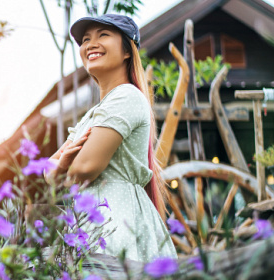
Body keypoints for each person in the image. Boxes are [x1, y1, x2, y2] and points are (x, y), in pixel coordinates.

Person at [45, 14, 177, 263]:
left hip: (116, 219)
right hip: (90, 220)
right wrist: (62, 168)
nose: (90, 44)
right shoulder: (94, 114)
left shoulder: (126, 96)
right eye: (85, 39)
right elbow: (47, 170)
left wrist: (63, 167)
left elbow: (85, 167)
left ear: (127, 50)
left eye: (103, 35)